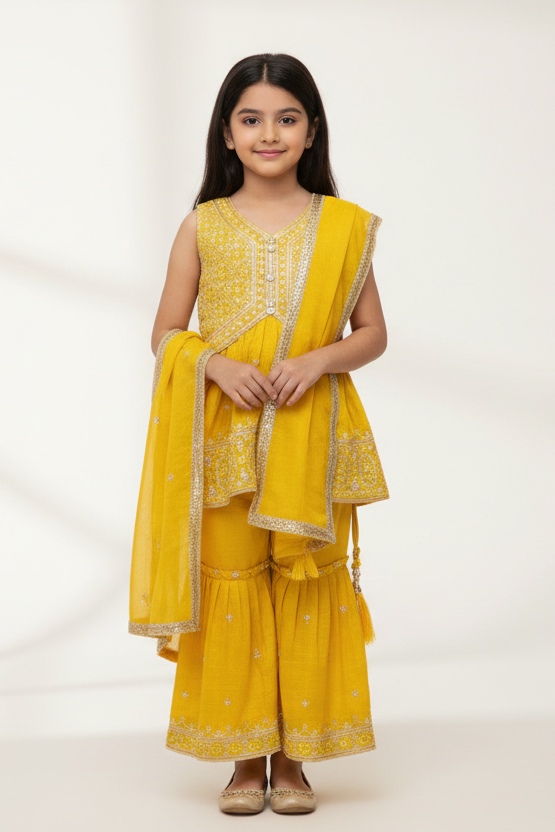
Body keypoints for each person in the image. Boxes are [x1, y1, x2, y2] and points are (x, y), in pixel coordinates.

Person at [128, 52, 389, 814]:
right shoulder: (203, 224)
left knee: (303, 583)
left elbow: (371, 334)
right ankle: (244, 760)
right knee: (233, 586)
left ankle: (295, 757)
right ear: (227, 134)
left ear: (310, 133)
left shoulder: (344, 227)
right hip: (223, 442)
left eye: (286, 118)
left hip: (313, 434)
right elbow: (165, 333)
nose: (268, 132)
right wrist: (212, 365)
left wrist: (319, 360)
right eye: (251, 119)